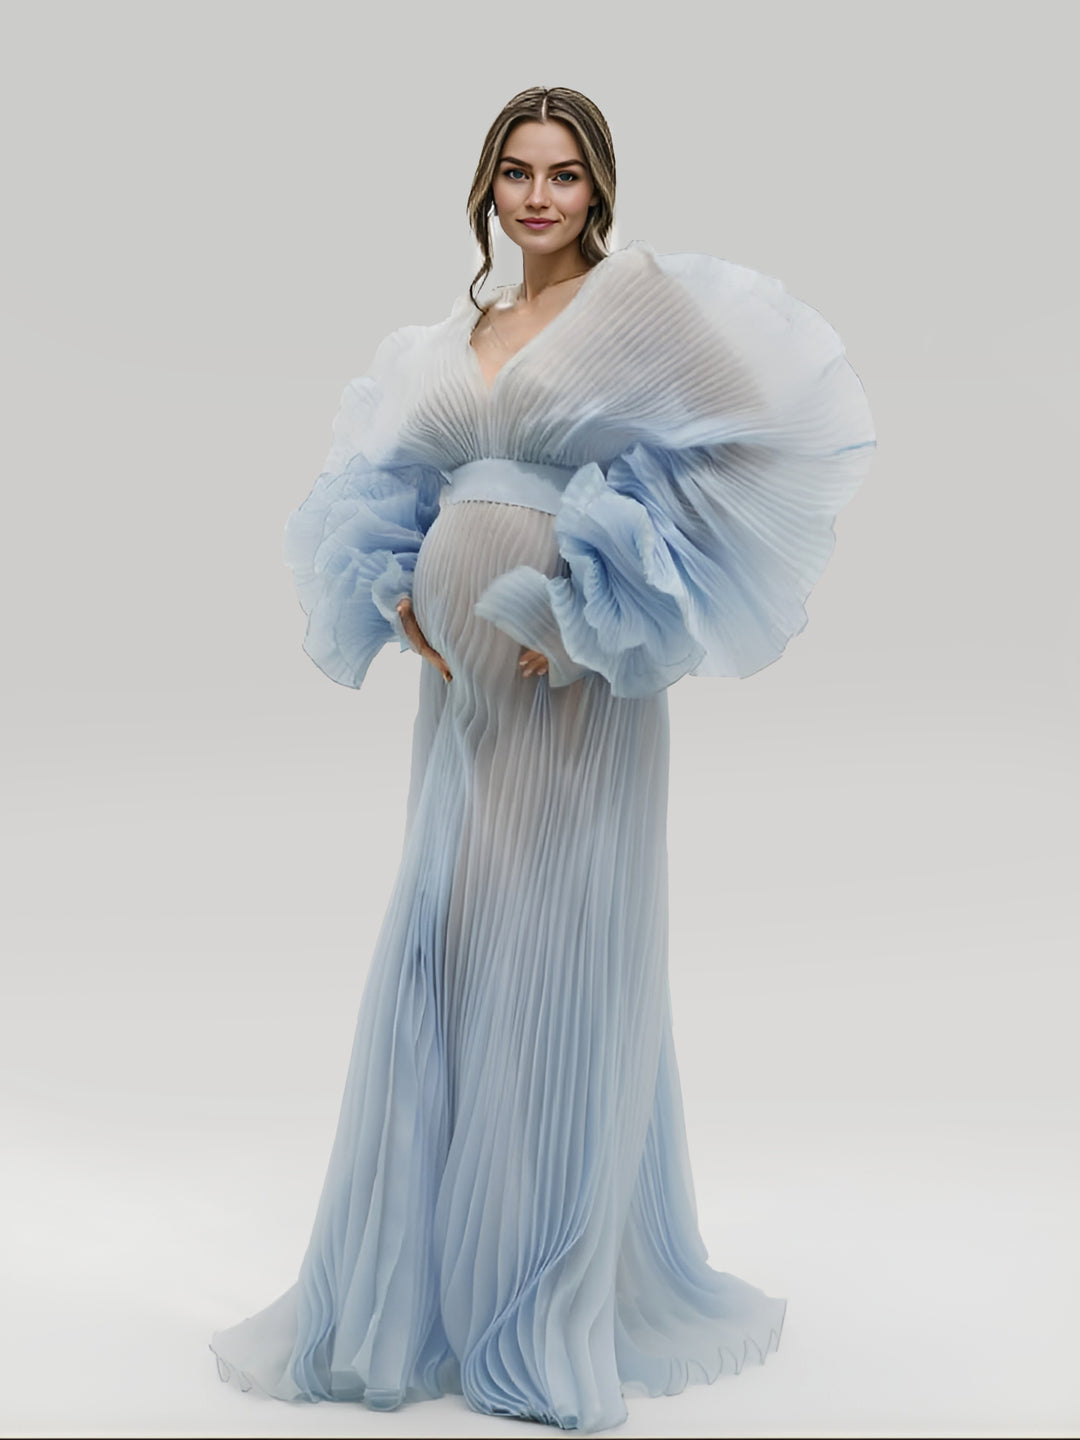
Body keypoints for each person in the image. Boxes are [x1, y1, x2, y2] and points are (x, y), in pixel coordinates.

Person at [209, 85, 876, 1433]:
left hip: (574, 684)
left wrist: (590, 606)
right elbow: (387, 479)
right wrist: (401, 591)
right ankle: (430, 1290)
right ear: (484, 189)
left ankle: (543, 1293)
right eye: (516, 172)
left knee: (556, 951)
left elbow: (750, 445)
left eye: (564, 173)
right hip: (461, 691)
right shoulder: (456, 337)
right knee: (453, 941)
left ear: (599, 189)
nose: (538, 196)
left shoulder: (634, 311)